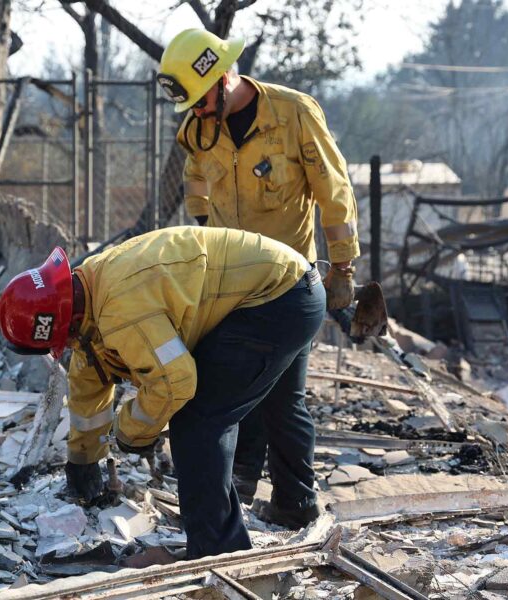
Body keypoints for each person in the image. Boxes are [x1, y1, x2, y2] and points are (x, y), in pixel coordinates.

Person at [0, 226, 325, 559]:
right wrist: (82, 460)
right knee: (282, 404)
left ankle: (217, 556)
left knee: (199, 419)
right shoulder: (89, 284)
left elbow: (176, 381)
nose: (66, 347)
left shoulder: (120, 310)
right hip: (292, 282)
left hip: (275, 299)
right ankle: (295, 506)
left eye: (62, 341)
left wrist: (132, 432)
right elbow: (89, 373)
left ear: (66, 323)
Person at [156, 28, 362, 515]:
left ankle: (296, 502)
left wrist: (344, 267)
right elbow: (195, 183)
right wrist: (204, 234)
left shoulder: (293, 114)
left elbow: (334, 191)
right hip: (229, 279)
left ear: (223, 79)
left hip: (289, 283)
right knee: (234, 383)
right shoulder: (197, 129)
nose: (197, 114)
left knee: (282, 397)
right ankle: (243, 480)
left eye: (202, 102)